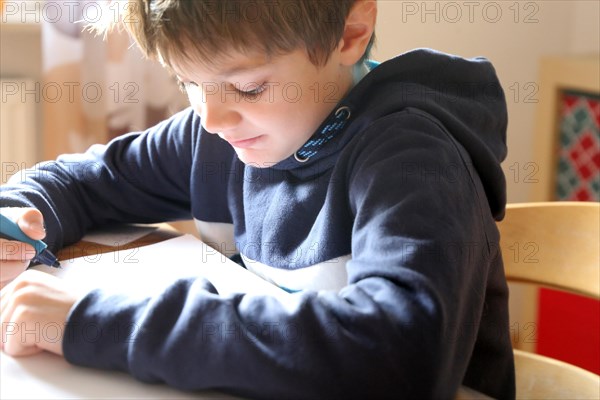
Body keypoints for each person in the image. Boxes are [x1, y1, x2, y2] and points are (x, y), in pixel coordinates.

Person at [0, 0, 515, 398]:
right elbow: (88, 181)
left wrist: (96, 322)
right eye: (188, 83)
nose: (211, 118)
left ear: (351, 34)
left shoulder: (414, 161)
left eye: (247, 87)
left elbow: (397, 356)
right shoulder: (222, 137)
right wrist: (15, 214)